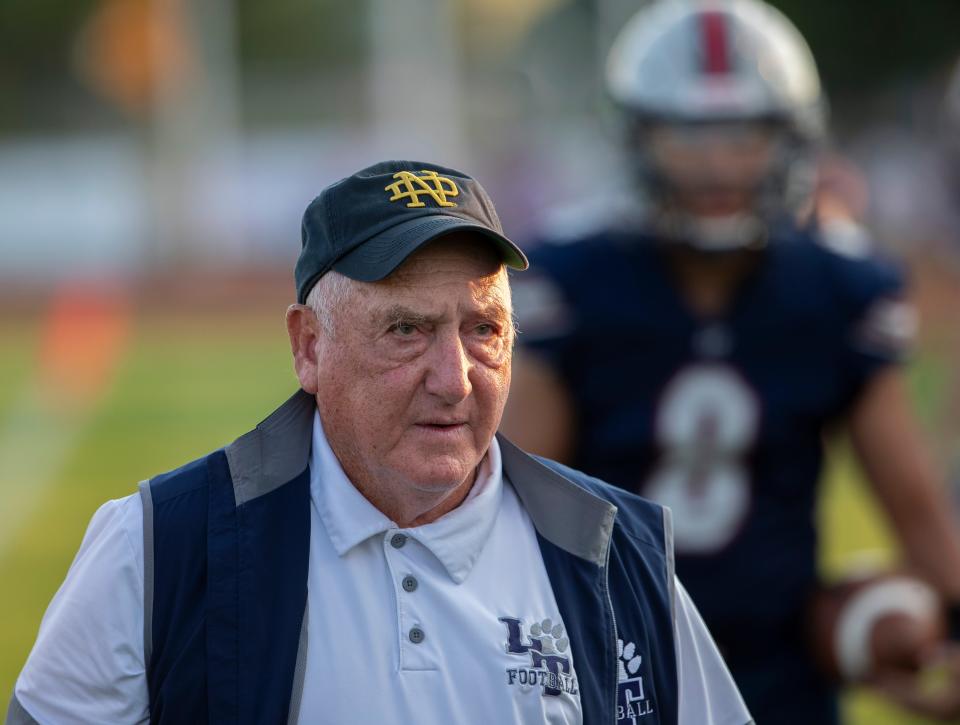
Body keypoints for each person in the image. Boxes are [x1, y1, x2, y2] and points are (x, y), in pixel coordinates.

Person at [8, 160, 751, 725]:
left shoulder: (615, 552)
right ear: (308, 347)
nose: (454, 379)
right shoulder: (158, 548)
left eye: (482, 329)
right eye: (407, 330)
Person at [501, 1, 960, 724]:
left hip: (779, 676)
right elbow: (513, 503)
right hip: (607, 662)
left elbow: (920, 515)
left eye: (744, 135)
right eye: (687, 136)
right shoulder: (578, 283)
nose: (717, 163)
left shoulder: (838, 291)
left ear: (792, 140)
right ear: (636, 139)